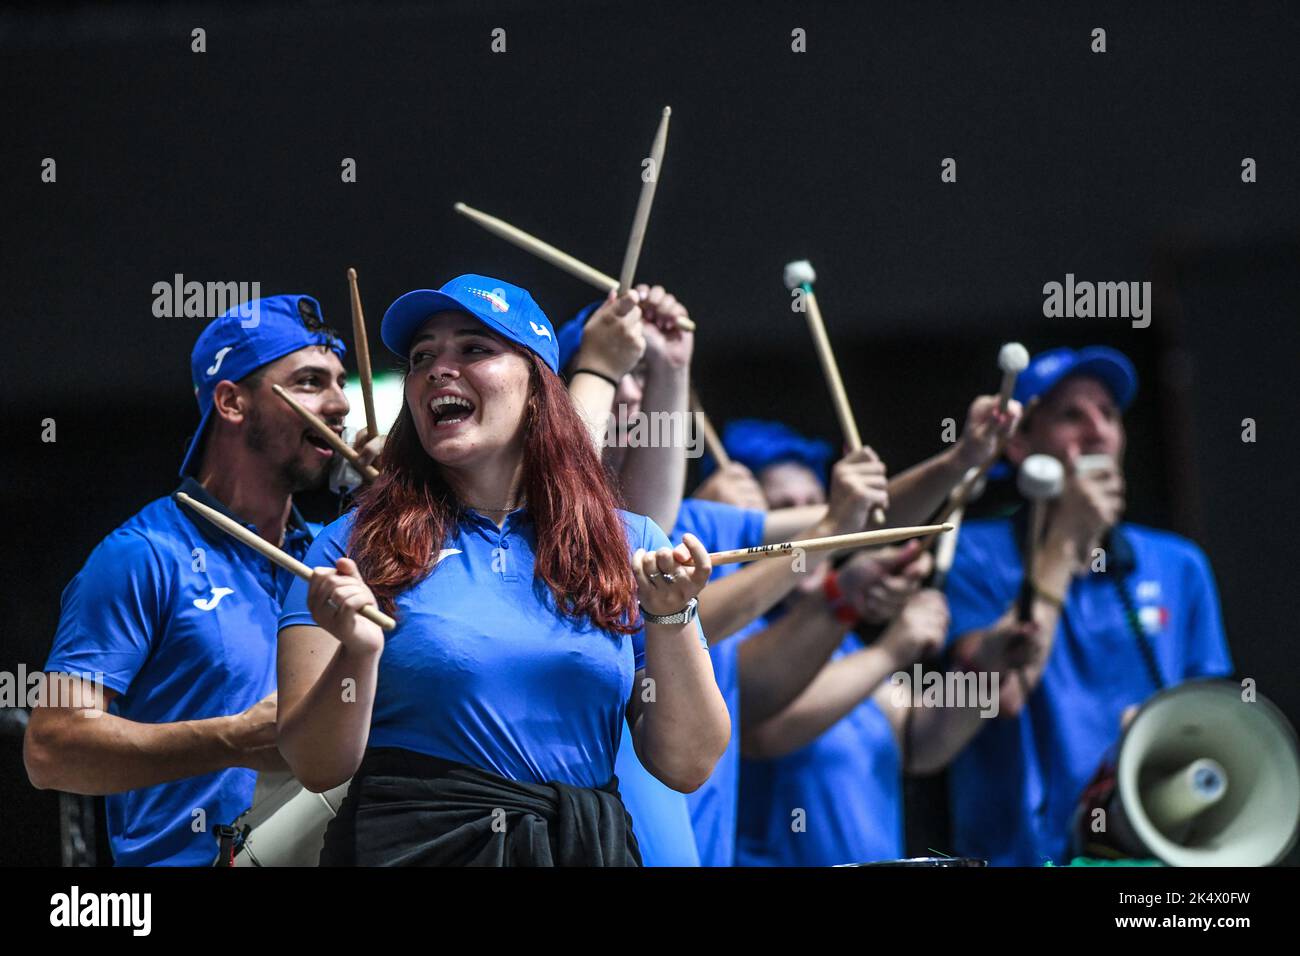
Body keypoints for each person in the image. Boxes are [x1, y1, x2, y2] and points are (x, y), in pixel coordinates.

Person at [275, 274, 730, 866]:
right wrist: (357, 653)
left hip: (578, 850)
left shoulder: (627, 541)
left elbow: (688, 763)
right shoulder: (351, 547)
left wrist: (671, 617)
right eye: (422, 356)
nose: (439, 368)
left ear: (539, 388)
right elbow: (314, 766)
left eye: (475, 348)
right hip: (414, 851)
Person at [25, 294, 380, 866]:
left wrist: (402, 501)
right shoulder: (140, 555)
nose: (340, 404)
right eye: (312, 381)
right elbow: (51, 746)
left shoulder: (330, 557)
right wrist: (231, 738)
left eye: (342, 381)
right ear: (232, 401)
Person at [927, 346, 1233, 865]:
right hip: (1019, 856)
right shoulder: (975, 554)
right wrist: (1066, 541)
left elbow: (1218, 726)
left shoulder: (1180, 565)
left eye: (1109, 415)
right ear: (1021, 445)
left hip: (1153, 853)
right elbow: (1000, 693)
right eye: (1071, 415)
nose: (1098, 432)